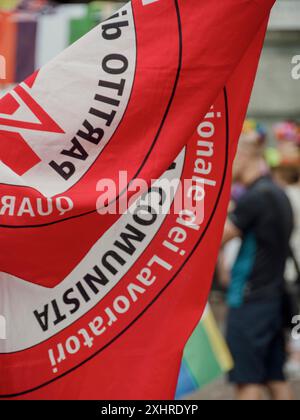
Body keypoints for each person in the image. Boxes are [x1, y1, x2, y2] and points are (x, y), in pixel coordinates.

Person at [222, 120, 294, 400]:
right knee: (275, 376)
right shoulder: (278, 193)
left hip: (249, 299)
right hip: (273, 297)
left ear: (243, 156)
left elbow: (217, 239)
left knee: (247, 380)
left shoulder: (255, 198)